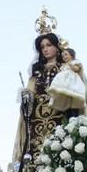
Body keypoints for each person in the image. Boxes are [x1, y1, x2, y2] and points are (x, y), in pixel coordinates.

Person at [13, 32, 65, 164]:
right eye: (42, 47)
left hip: (60, 117)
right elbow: (30, 97)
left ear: (57, 47)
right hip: (37, 123)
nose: (45, 49)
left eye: (49, 45)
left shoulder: (65, 69)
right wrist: (26, 98)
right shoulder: (36, 74)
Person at [47, 46, 87, 117]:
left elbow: (77, 69)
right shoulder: (63, 65)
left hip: (73, 84)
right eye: (63, 56)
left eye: (66, 54)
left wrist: (71, 65)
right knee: (67, 102)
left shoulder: (75, 62)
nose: (64, 57)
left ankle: (74, 113)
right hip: (65, 84)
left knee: (74, 100)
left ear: (71, 55)